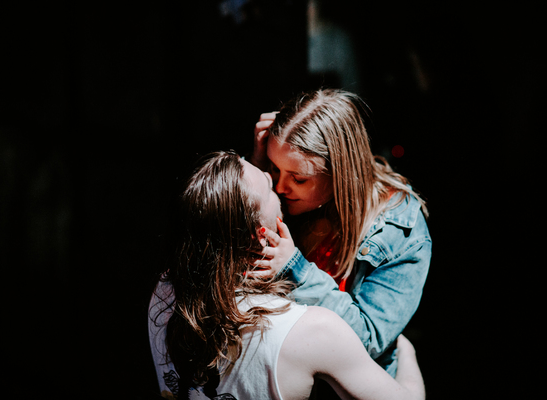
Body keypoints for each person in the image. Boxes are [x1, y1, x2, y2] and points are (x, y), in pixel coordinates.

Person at [148, 150, 425, 400]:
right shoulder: (314, 331)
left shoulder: (165, 290)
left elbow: (224, 211)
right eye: (269, 186)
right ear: (261, 236)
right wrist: (406, 351)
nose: (279, 185)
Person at [248, 89, 432, 377]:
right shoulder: (275, 190)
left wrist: (295, 269)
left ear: (341, 173)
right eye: (275, 168)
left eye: (298, 178)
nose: (281, 188)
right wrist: (257, 174)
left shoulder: (400, 228)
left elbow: (369, 339)